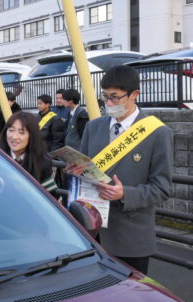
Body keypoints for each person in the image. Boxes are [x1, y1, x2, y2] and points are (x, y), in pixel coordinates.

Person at [68, 65, 172, 274]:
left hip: (130, 236)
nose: (109, 103)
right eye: (105, 96)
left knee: (131, 301)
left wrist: (125, 194)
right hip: (91, 228)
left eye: (115, 97)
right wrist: (74, 171)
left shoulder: (158, 133)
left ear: (134, 95)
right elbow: (85, 169)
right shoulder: (93, 127)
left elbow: (162, 188)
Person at [0, 111, 56, 194]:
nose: (14, 137)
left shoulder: (43, 161)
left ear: (32, 135)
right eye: (11, 130)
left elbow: (50, 197)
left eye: (21, 132)